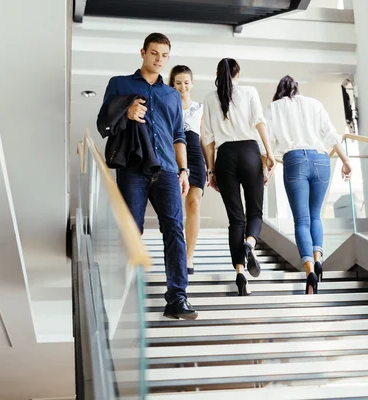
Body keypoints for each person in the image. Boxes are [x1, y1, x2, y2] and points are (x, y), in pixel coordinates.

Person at [99, 33, 197, 319]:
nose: (159, 59)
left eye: (165, 55)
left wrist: (183, 170)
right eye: (154, 53)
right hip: (133, 168)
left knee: (174, 231)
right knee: (132, 230)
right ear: (143, 52)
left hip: (167, 169)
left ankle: (177, 298)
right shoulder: (120, 84)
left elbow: (179, 135)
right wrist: (126, 112)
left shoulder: (171, 94)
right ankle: (122, 295)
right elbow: (103, 122)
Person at [265, 75, 351, 295]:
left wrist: (269, 160)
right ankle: (319, 258)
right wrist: (345, 161)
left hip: (294, 160)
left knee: (301, 221)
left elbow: (267, 140)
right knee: (315, 217)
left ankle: (309, 271)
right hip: (322, 159)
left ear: (279, 90)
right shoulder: (314, 104)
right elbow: (331, 135)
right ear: (297, 88)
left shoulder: (274, 108)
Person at [203, 58, 276, 296]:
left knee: (236, 219)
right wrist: (269, 154)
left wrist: (211, 170)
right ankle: (250, 244)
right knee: (255, 212)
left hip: (224, 156)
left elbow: (208, 138)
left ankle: (240, 274)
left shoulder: (209, 98)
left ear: (217, 73)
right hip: (249, 153)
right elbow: (259, 122)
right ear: (238, 73)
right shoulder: (249, 92)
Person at [169, 65, 206, 275]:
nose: (182, 86)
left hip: (195, 156)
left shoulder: (200, 108)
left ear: (192, 83)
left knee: (193, 203)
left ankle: (189, 256)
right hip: (173, 157)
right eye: (178, 82)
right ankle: (177, 251)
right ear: (172, 84)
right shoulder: (168, 106)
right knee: (175, 207)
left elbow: (205, 139)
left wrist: (210, 168)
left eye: (186, 82)